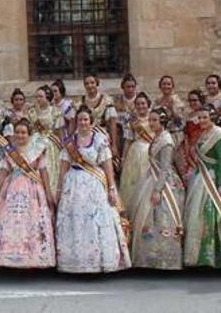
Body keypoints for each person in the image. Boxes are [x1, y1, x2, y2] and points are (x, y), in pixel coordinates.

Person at [55, 106, 130, 273]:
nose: (82, 122)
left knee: (96, 221)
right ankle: (76, 262)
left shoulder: (99, 140)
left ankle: (98, 262)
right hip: (73, 184)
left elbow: (107, 165)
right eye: (80, 119)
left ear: (91, 122)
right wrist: (59, 188)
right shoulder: (70, 141)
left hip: (95, 185)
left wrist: (111, 188)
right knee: (75, 221)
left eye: (86, 120)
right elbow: (64, 166)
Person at [0, 119, 55, 269]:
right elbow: (3, 172)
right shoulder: (9, 151)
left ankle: (31, 257)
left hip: (33, 190)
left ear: (29, 134)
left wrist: (48, 193)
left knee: (32, 219)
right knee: (10, 220)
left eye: (23, 133)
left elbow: (44, 172)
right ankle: (10, 256)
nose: (20, 135)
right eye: (17, 132)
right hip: (11, 188)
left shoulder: (37, 150)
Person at [128, 107, 185, 270]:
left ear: (162, 122)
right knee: (148, 218)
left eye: (154, 120)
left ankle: (164, 260)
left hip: (164, 184)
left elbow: (165, 168)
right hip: (152, 179)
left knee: (162, 218)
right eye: (150, 120)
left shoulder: (166, 140)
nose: (151, 123)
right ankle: (149, 258)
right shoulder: (158, 137)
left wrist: (158, 190)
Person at [183, 105, 221, 269]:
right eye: (199, 118)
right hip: (201, 177)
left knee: (212, 215)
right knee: (197, 215)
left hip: (214, 179)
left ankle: (215, 257)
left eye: (205, 117)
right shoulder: (202, 134)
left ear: (212, 117)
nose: (201, 120)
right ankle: (199, 257)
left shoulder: (218, 134)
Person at [27, 85, 64, 199]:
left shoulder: (56, 111)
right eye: (37, 96)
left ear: (47, 97)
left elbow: (59, 132)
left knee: (50, 170)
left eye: (41, 96)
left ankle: (52, 196)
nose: (38, 99)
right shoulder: (32, 112)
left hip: (51, 145)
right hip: (34, 144)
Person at [119, 93, 154, 208]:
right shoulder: (132, 122)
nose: (141, 106)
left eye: (143, 103)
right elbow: (128, 140)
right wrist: (123, 158)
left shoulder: (154, 118)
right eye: (138, 104)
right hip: (135, 152)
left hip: (152, 151)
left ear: (148, 104)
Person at [79, 74, 120, 167]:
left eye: (92, 83)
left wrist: (114, 145)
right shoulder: (81, 101)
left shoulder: (107, 100)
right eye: (87, 83)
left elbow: (112, 124)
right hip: (85, 137)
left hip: (102, 136)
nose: (90, 85)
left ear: (97, 83)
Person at [154, 75, 186, 145]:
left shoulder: (176, 100)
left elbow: (180, 122)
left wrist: (172, 109)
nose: (166, 86)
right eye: (164, 84)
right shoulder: (157, 101)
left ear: (172, 86)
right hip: (161, 135)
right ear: (160, 86)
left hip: (174, 134)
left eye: (168, 84)